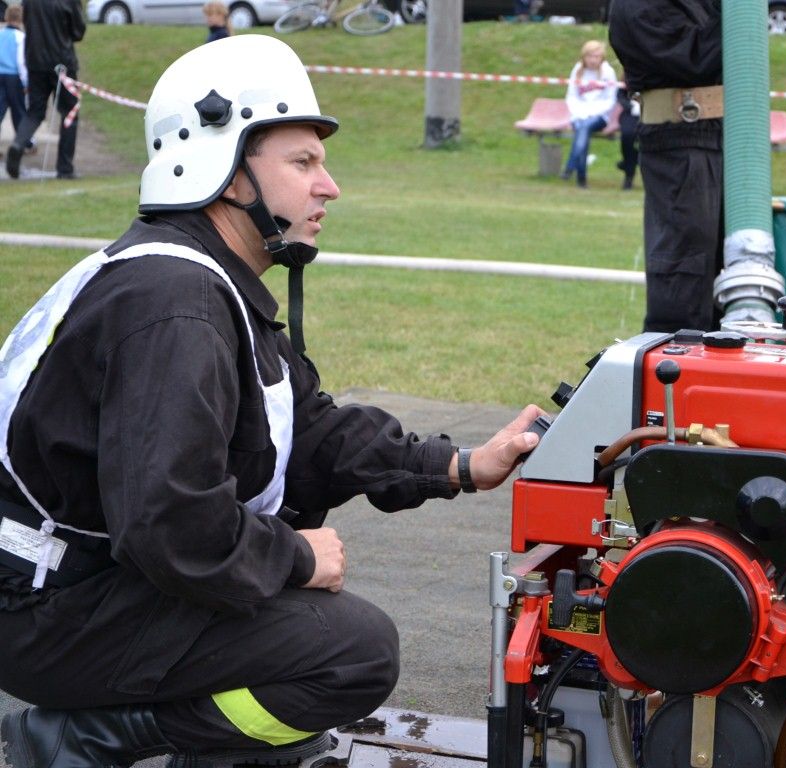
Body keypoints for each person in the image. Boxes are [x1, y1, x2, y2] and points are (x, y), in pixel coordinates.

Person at [0, 34, 545, 768]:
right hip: (42, 616)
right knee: (349, 654)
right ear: (226, 173)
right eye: (303, 162)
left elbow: (309, 429)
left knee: (317, 625)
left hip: (70, 591)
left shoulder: (200, 278)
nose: (330, 186)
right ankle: (96, 735)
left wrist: (459, 465)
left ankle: (209, 738)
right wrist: (293, 556)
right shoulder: (178, 303)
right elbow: (168, 522)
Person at [608, 0, 724, 332]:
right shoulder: (638, 7)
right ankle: (677, 372)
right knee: (684, 271)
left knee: (729, 270)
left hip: (719, 137)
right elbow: (697, 58)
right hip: (682, 139)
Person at [4, 0, 85, 180]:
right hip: (62, 63)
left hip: (35, 62)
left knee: (35, 112)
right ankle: (65, 169)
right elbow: (78, 32)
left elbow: (27, 22)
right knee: (69, 113)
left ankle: (18, 144)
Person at [561, 40, 617, 188]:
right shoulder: (578, 69)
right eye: (590, 56)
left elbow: (610, 99)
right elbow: (571, 96)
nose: (593, 60)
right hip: (578, 114)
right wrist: (579, 112)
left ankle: (570, 166)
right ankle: (581, 179)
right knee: (582, 130)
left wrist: (593, 113)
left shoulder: (608, 72)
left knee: (583, 129)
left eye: (597, 56)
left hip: (600, 116)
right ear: (584, 56)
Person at [0, 4, 31, 151]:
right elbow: (21, 62)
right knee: (19, 111)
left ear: (6, 17)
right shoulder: (21, 37)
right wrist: (26, 82)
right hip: (14, 78)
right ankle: (22, 143)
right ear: (21, 19)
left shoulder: (0, 34)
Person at [616, 82, 639, 190]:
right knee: (627, 135)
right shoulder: (628, 76)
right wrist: (630, 106)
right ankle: (629, 174)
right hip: (630, 113)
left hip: (651, 111)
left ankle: (631, 162)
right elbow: (620, 94)